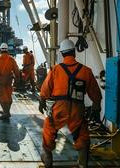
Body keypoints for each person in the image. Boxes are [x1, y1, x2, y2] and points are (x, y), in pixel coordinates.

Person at [39, 39, 102, 168]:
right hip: (77, 109)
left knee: (49, 128)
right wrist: (96, 108)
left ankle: (48, 160)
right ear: (74, 52)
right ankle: (82, 164)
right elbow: (96, 95)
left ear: (62, 54)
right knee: (82, 134)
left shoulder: (55, 69)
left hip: (59, 108)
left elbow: (45, 89)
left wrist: (42, 101)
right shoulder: (86, 71)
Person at [0, 43, 20, 120]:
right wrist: (18, 79)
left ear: (0, 49)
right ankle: (7, 111)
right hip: (9, 80)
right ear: (7, 49)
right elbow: (16, 70)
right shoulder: (11, 59)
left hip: (1, 79)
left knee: (2, 96)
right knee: (8, 95)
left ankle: (5, 113)